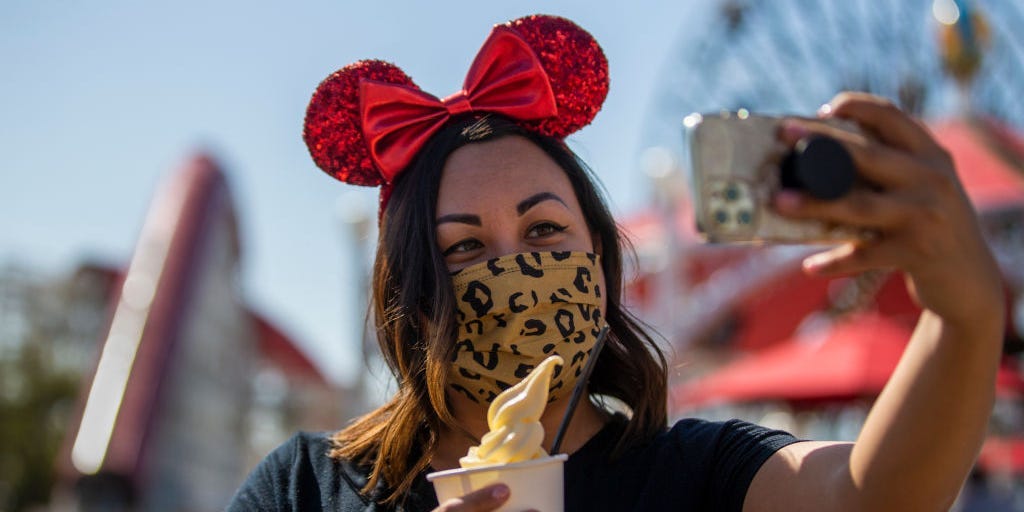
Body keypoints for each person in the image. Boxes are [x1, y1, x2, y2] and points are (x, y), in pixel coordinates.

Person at [226, 14, 1006, 512]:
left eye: (545, 233)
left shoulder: (693, 477)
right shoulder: (305, 489)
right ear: (407, 295)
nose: (515, 270)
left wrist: (964, 316)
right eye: (463, 247)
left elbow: (872, 499)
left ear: (598, 269)